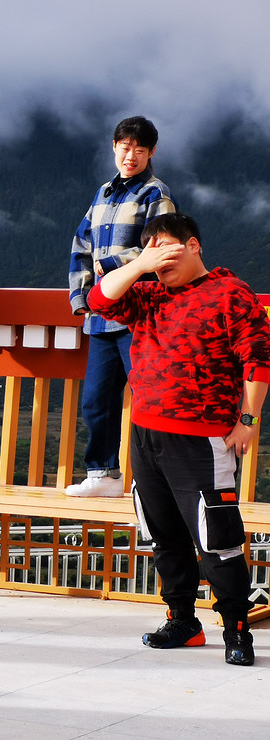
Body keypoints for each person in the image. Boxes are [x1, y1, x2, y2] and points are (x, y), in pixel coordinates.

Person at [89, 212, 266, 666]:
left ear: (193, 246)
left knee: (218, 538)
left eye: (168, 248)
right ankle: (183, 622)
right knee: (162, 534)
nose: (160, 258)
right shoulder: (146, 294)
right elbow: (99, 300)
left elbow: (259, 359)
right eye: (151, 250)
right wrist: (140, 265)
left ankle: (237, 631)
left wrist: (248, 419)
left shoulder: (231, 294)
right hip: (146, 431)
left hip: (202, 439)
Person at [66, 116, 176, 497]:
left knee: (150, 399)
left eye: (140, 150)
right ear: (114, 146)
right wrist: (80, 297)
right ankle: (103, 475)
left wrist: (111, 265)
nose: (131, 156)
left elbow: (161, 245)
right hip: (100, 316)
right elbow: (81, 245)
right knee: (97, 400)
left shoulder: (155, 194)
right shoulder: (103, 193)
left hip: (139, 316)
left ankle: (153, 480)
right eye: (125, 148)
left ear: (151, 153)